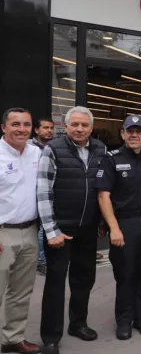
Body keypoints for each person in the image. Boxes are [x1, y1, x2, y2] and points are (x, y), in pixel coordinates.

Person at [37, 107, 106, 354]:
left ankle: (78, 324)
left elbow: (103, 188)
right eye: (74, 124)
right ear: (65, 126)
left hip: (87, 228)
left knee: (83, 279)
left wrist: (101, 222)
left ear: (91, 128)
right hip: (61, 230)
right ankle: (50, 337)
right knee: (55, 284)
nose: (79, 129)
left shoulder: (100, 149)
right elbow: (43, 192)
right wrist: (51, 230)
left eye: (84, 125)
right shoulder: (53, 150)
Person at [96, 115, 141, 341]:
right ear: (122, 134)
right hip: (125, 223)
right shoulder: (111, 159)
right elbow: (103, 196)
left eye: (138, 131)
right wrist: (113, 228)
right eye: (129, 131)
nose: (134, 135)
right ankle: (124, 320)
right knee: (125, 274)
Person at [0, 108, 42, 354]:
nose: (21, 129)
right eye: (15, 124)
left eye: (26, 124)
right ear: (4, 127)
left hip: (30, 231)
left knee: (21, 291)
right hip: (3, 233)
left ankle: (12, 338)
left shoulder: (36, 152)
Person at [30, 116, 54, 276]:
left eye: (51, 128)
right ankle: (41, 261)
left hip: (47, 195)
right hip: (31, 195)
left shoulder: (54, 147)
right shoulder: (29, 147)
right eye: (45, 128)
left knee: (43, 229)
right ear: (36, 130)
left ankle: (42, 260)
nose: (49, 131)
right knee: (39, 229)